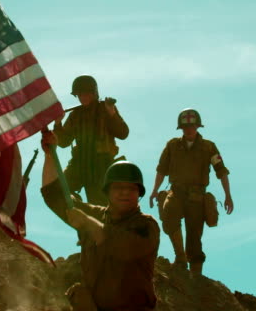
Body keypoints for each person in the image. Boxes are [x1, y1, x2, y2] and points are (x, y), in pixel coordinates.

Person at [41, 130, 159, 311]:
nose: (125, 192)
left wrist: (87, 223)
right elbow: (53, 195)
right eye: (118, 187)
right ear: (108, 192)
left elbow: (122, 246)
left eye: (132, 188)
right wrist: (50, 155)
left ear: (139, 194)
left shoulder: (146, 225)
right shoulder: (96, 215)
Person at [149, 108, 233, 276]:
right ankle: (180, 258)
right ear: (181, 128)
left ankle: (196, 275)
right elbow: (161, 170)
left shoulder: (208, 147)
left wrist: (228, 195)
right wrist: (155, 191)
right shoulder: (172, 145)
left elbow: (221, 171)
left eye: (192, 127)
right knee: (168, 216)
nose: (189, 130)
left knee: (194, 237)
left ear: (198, 127)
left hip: (197, 196)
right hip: (176, 192)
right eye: (185, 127)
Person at [53, 75, 129, 206]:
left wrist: (112, 113)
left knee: (100, 206)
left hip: (101, 164)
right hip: (79, 163)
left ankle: (96, 221)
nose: (83, 98)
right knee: (59, 189)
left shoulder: (105, 109)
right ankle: (81, 212)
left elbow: (123, 133)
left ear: (94, 93)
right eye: (80, 95)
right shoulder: (75, 115)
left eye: (86, 94)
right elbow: (63, 142)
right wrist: (58, 123)